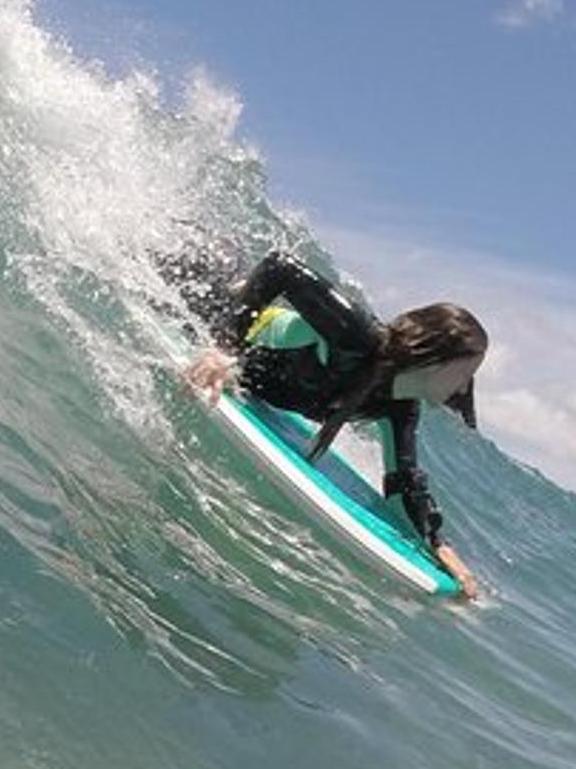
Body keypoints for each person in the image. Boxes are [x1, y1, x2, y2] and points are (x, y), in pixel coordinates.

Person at [178, 250, 486, 596]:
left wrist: (437, 544)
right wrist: (223, 349)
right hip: (203, 297)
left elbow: (403, 482)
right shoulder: (357, 336)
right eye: (466, 372)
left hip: (248, 365)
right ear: (437, 360)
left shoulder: (399, 408)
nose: (465, 387)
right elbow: (280, 267)